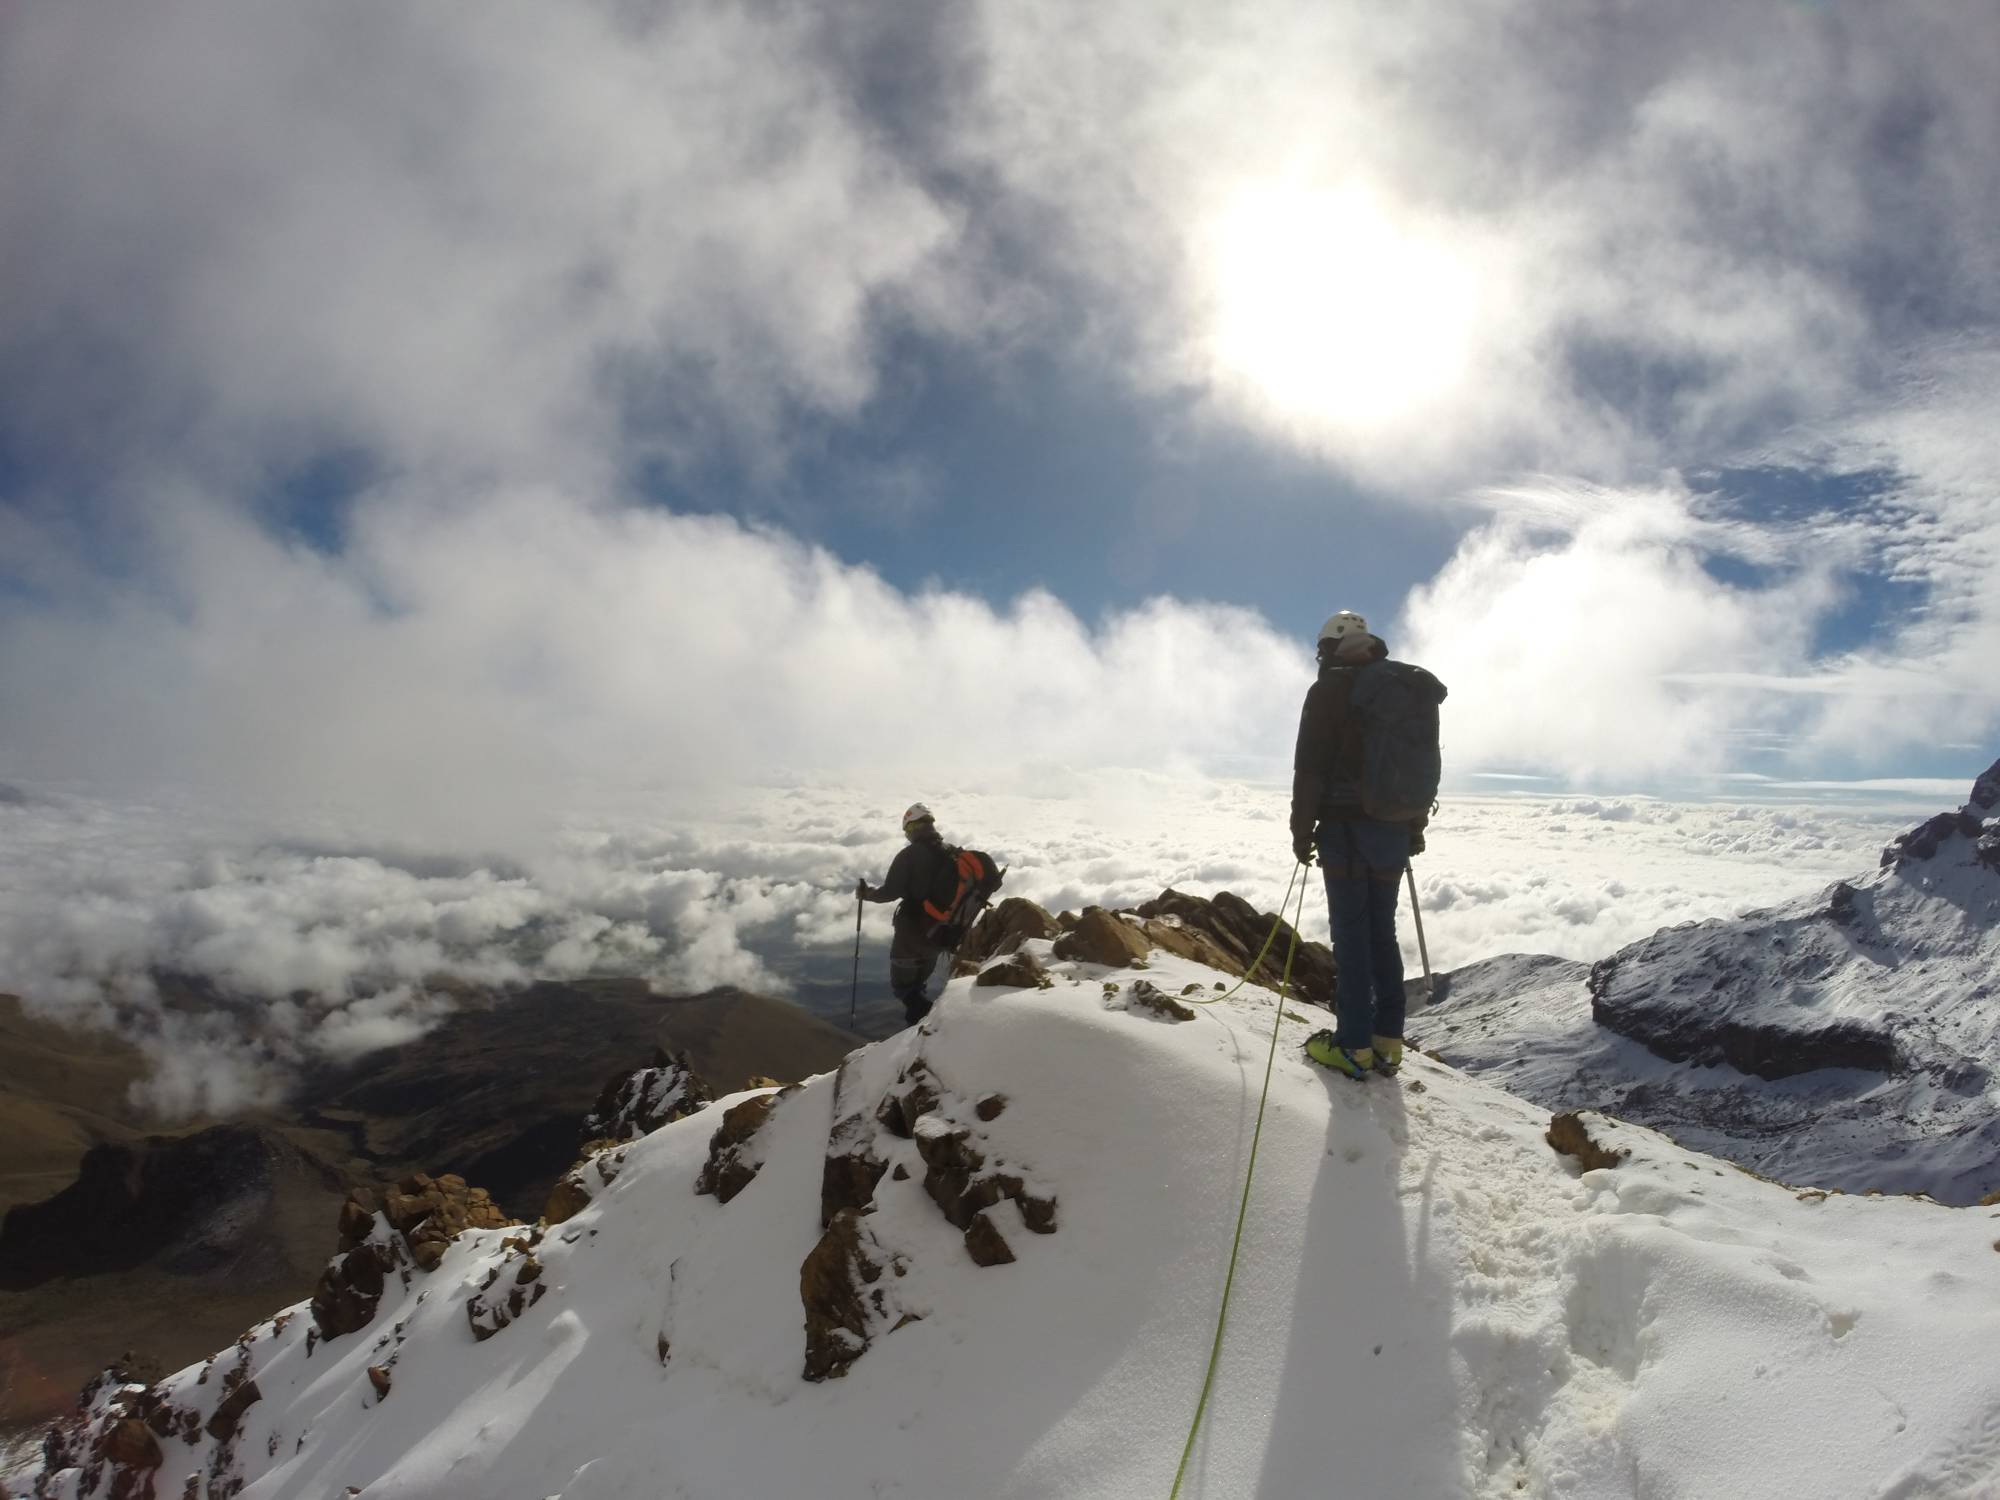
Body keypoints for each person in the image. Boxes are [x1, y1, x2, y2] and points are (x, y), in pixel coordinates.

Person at [1289, 610, 1427, 1080]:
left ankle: (1351, 1047)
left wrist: (1300, 829)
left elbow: (1309, 768)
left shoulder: (1329, 689)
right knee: (1381, 935)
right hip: (1392, 830)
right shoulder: (1403, 690)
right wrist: (1413, 827)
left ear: (1329, 647)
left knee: (1351, 938)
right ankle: (1388, 1044)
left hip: (1345, 830)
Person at [858, 803, 956, 1027]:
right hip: (940, 935)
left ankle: (927, 1029)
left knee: (904, 989)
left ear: (912, 828)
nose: (907, 835)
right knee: (918, 986)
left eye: (907, 831)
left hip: (911, 935)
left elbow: (891, 891)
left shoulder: (909, 855)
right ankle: (924, 1031)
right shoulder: (951, 852)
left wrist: (867, 894)